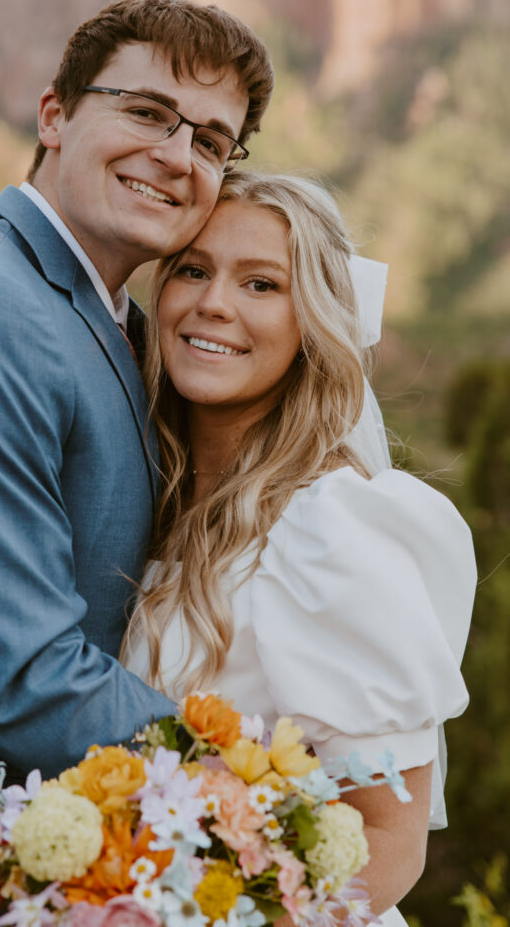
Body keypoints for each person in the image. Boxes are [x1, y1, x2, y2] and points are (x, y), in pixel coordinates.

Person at [0, 0, 274, 920]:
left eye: (209, 139)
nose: (173, 155)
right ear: (54, 115)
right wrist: (252, 784)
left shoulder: (100, 318)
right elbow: (23, 677)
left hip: (24, 866)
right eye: (146, 113)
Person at [122, 170, 477, 926]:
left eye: (260, 284)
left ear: (311, 322)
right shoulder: (152, 505)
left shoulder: (334, 530)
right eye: (193, 269)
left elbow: (387, 839)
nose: (213, 302)